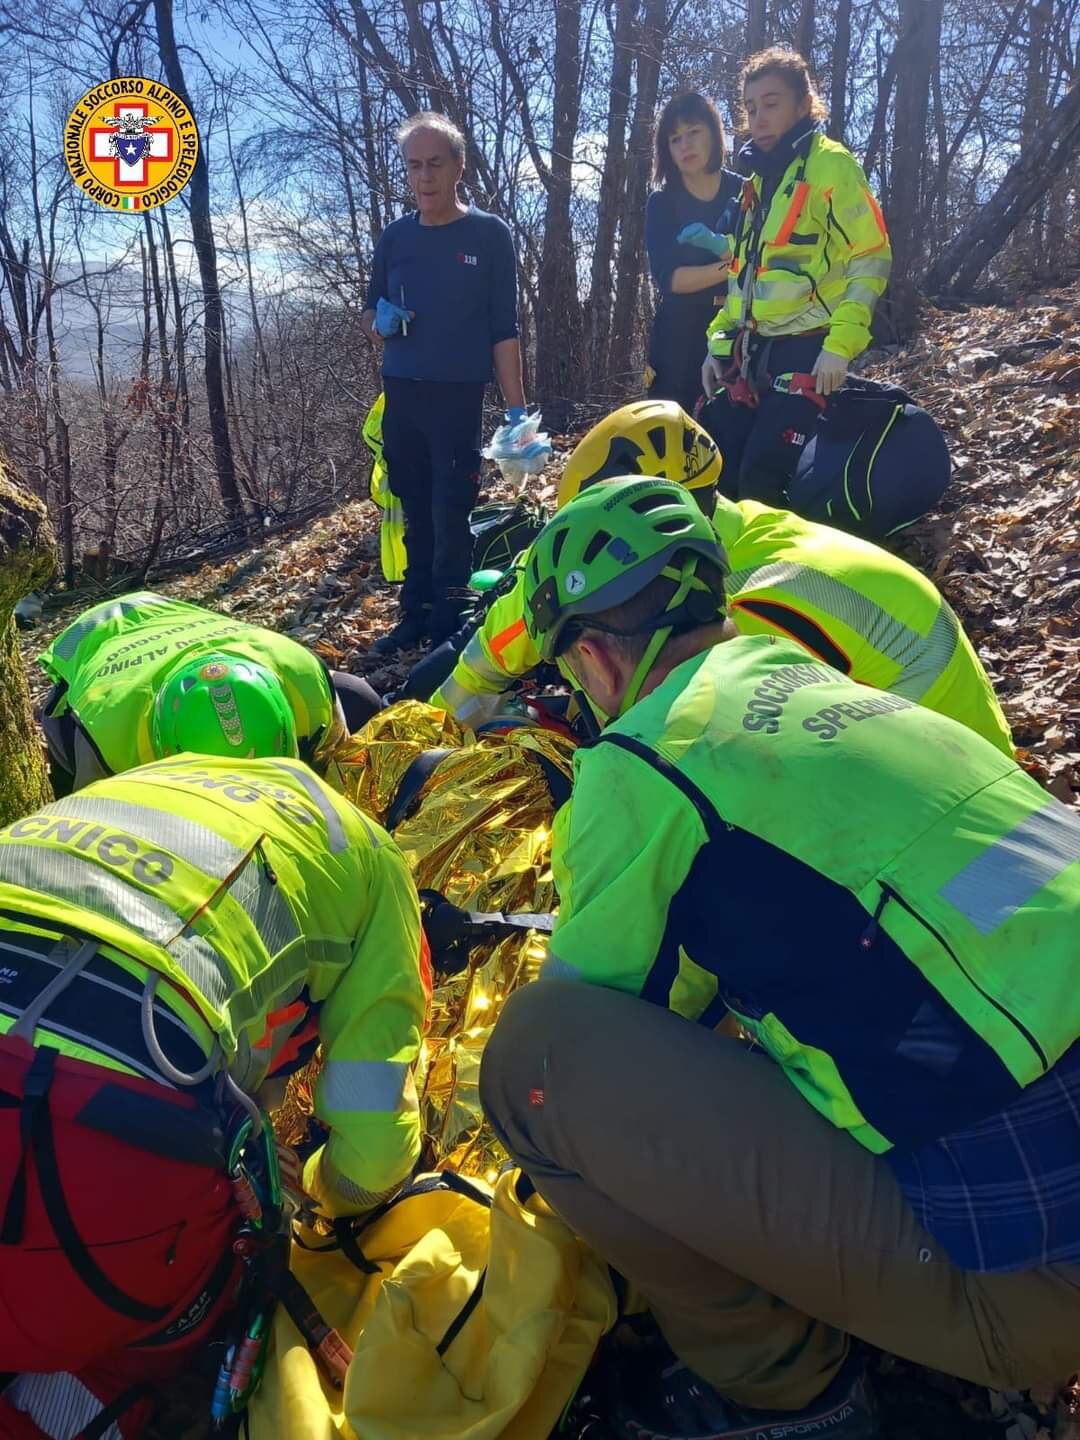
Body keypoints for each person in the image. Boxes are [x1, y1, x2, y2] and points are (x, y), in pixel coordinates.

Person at [479, 476, 1080, 1440]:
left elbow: (607, 1024)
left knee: (535, 1066)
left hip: (1038, 1289)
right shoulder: (829, 690)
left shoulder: (641, 760)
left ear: (591, 657)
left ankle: (781, 1392)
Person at [0, 754, 429, 1439]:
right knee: (108, 1325)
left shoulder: (143, 784)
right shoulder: (370, 864)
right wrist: (315, 1193)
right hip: (104, 1149)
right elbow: (372, 1129)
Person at [431, 400, 1013, 756]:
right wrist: (440, 716)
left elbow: (690, 755)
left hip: (925, 793)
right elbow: (524, 615)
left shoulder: (762, 596)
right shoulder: (728, 536)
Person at [361, 112, 527, 654]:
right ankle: (415, 611)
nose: (425, 176)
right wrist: (379, 318)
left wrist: (516, 413)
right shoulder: (396, 238)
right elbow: (371, 309)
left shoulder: (489, 235)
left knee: (451, 505)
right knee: (412, 505)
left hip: (459, 393)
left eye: (435, 163)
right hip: (403, 388)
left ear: (458, 165)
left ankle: (449, 617)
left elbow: (504, 330)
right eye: (414, 166)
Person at [701, 48, 891, 507]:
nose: (758, 118)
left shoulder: (831, 166)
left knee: (761, 482)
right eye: (749, 108)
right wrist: (718, 345)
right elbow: (744, 278)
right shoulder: (758, 181)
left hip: (810, 348)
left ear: (804, 105)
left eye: (771, 103)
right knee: (713, 471)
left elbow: (871, 256)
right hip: (754, 353)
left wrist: (838, 346)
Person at [38, 591, 384, 797]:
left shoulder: (304, 676)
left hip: (172, 614)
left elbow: (338, 770)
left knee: (357, 695)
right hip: (88, 638)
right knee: (63, 749)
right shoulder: (110, 739)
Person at [645, 94, 742, 416]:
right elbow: (672, 280)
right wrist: (735, 265)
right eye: (675, 139)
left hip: (740, 330)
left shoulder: (746, 192)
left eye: (694, 132)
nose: (685, 145)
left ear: (714, 134)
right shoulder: (662, 203)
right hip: (679, 338)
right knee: (671, 438)